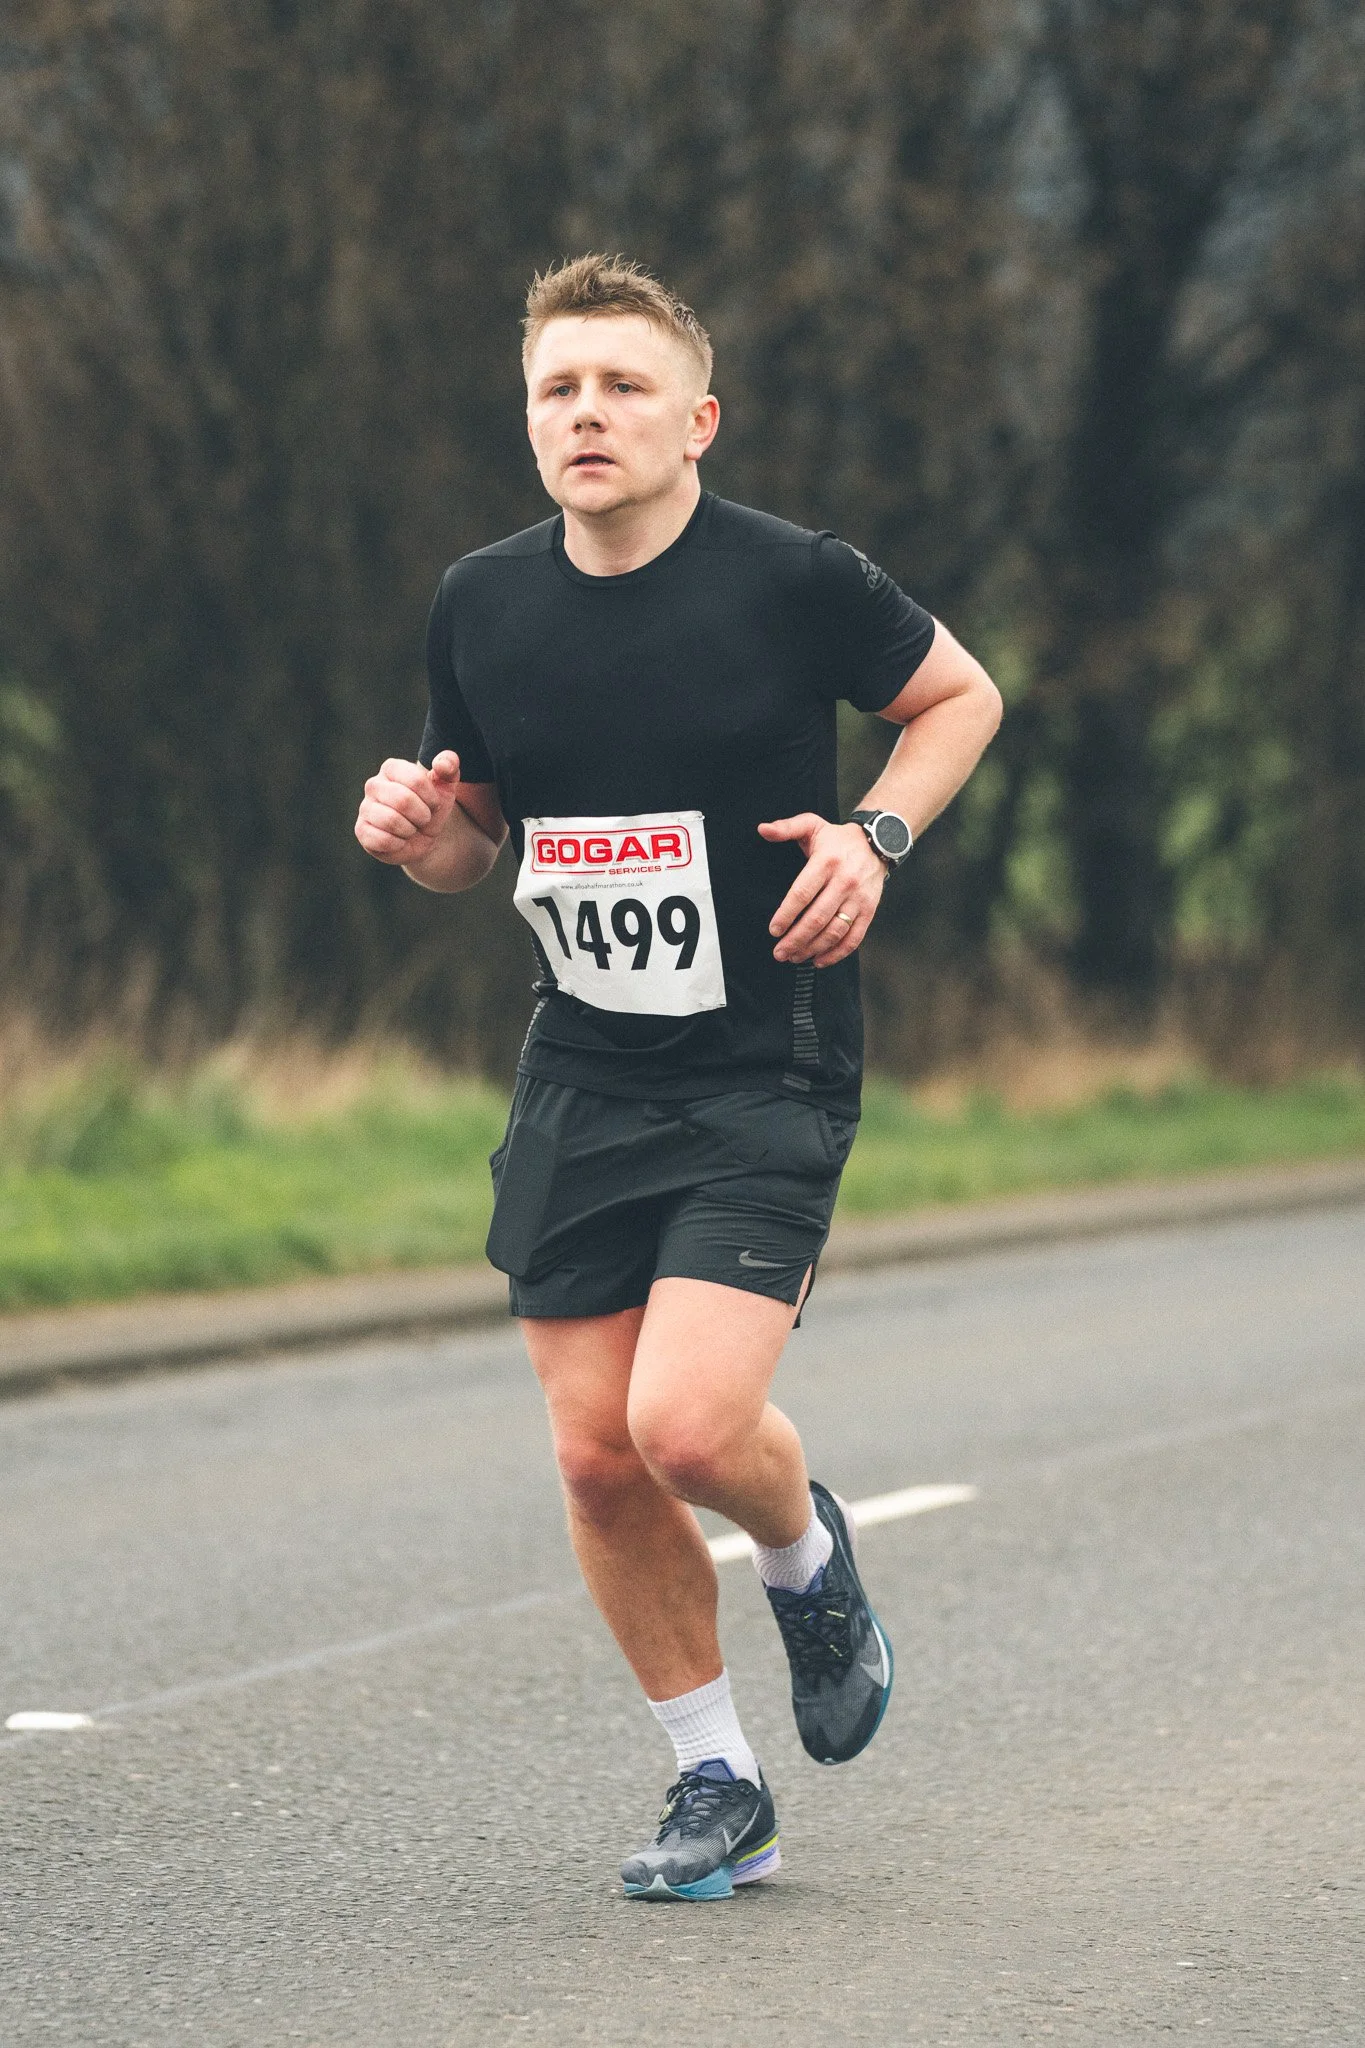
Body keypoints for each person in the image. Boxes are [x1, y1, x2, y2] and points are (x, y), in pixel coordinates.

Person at [355, 254, 1002, 1902]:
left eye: (623, 386)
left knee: (688, 1427)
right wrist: (427, 839)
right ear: (529, 423)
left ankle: (807, 1554)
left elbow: (958, 697)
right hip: (584, 1061)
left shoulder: (794, 579)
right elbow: (477, 835)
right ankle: (718, 1781)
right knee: (594, 1456)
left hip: (767, 1053)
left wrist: (874, 835)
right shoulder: (480, 601)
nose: (587, 413)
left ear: (697, 421)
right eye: (558, 389)